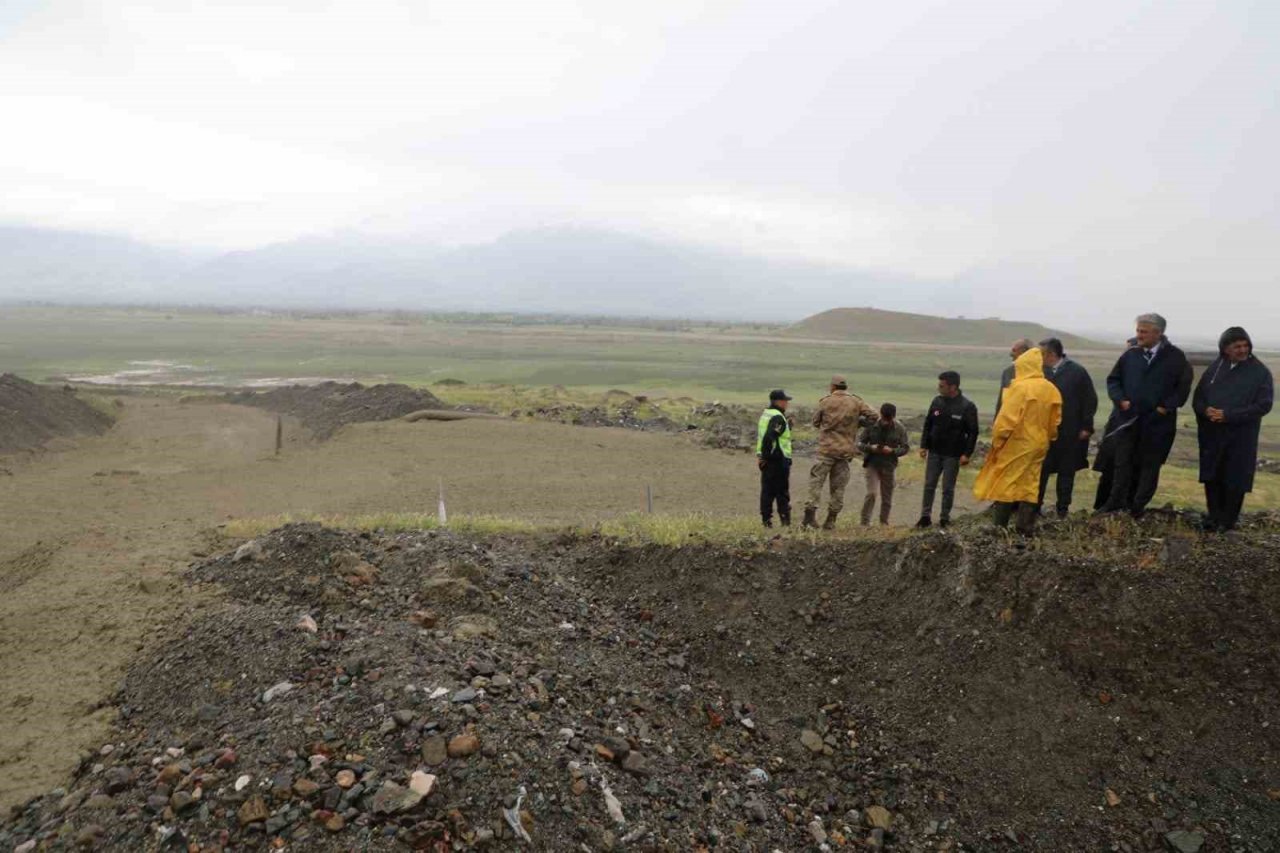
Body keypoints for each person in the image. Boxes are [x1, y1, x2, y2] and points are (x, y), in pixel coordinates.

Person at [1096, 314, 1193, 518]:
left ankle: (1137, 508)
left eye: (1144, 332)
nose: (1138, 335)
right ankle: (1114, 504)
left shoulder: (1176, 357)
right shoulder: (1130, 355)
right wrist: (1120, 400)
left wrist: (1164, 408)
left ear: (1158, 333)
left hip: (1157, 424)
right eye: (1138, 331)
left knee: (1149, 466)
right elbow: (1113, 380)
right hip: (1128, 420)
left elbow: (1182, 388)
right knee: (1122, 463)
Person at [973, 348, 1063, 535]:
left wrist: (998, 440)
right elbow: (1055, 421)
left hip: (1018, 442)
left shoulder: (1020, 388)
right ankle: (1024, 527)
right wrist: (1048, 437)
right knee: (1031, 483)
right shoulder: (1051, 389)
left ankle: (1000, 527)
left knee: (1008, 481)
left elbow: (1006, 420)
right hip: (1040, 443)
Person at [1192, 327, 1274, 532]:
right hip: (1212, 434)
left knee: (1234, 478)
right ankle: (1213, 518)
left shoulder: (1260, 372)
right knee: (1212, 476)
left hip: (1240, 437)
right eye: (1236, 346)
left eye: (1245, 345)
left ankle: (1227, 522)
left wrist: (1228, 415)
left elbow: (1263, 405)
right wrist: (1205, 411)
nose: (1242, 349)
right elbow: (1199, 398)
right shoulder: (1216, 368)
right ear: (1225, 348)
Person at [803, 375, 877, 530]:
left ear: (832, 387)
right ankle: (831, 521)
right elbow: (874, 416)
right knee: (838, 488)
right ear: (845, 387)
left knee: (816, 483)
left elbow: (816, 422)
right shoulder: (856, 401)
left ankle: (809, 518)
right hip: (844, 453)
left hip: (826, 451)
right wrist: (857, 423)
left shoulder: (825, 401)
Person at [1037, 337, 1098, 518]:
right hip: (1044, 432)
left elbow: (1090, 400)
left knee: (1066, 472)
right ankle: (1034, 506)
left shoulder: (1077, 372)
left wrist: (1086, 427)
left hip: (1070, 432)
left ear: (1051, 354)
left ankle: (1062, 509)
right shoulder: (1040, 372)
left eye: (1040, 353)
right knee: (1041, 471)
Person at [916, 371, 979, 529]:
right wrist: (924, 445)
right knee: (929, 484)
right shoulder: (937, 402)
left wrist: (966, 454)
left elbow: (973, 432)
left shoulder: (967, 407)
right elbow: (928, 424)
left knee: (948, 488)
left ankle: (944, 518)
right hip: (934, 452)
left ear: (953, 387)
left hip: (953, 454)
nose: (939, 388)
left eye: (942, 386)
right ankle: (925, 517)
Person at [1092, 336, 1140, 510]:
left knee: (1127, 470)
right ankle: (1102, 505)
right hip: (1116, 425)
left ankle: (1121, 505)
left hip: (1131, 426)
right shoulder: (1124, 374)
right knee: (1109, 470)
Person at [857, 402, 910, 525]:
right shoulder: (871, 426)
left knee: (887, 497)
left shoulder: (900, 429)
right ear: (881, 414)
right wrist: (871, 448)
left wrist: (892, 451)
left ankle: (883, 522)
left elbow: (905, 448)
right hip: (872, 464)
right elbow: (860, 444)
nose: (886, 422)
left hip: (889, 465)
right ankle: (864, 522)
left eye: (889, 419)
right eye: (884, 418)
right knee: (872, 493)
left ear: (893, 417)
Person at [756, 389, 793, 528]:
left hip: (766, 460)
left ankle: (766, 522)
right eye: (785, 401)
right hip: (777, 460)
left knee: (767, 491)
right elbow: (769, 438)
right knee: (781, 492)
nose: (787, 404)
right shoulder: (778, 418)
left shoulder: (766, 414)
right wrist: (766, 457)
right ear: (779, 401)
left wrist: (761, 457)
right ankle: (785, 522)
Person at [995, 338, 1036, 415]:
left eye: (1014, 350)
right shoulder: (1008, 373)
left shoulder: (1043, 374)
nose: (1010, 354)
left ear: (1024, 353)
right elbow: (1001, 403)